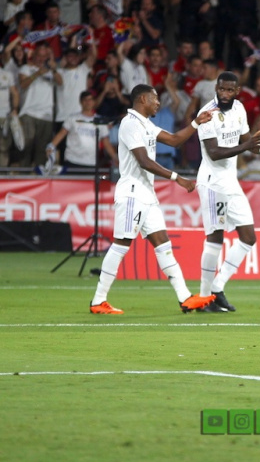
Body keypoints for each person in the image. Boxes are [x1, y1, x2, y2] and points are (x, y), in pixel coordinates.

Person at [90, 84, 217, 315]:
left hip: (147, 195)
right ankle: (98, 300)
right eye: (155, 98)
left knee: (164, 244)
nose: (159, 102)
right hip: (131, 193)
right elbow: (144, 161)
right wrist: (177, 177)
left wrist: (197, 122)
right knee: (121, 244)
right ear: (142, 99)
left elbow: (175, 139)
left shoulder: (145, 124)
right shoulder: (129, 124)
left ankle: (185, 298)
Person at [196, 71, 260, 312]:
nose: (224, 94)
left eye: (229, 90)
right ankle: (205, 297)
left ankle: (217, 287)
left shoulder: (240, 109)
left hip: (230, 183)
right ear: (216, 88)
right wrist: (245, 146)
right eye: (221, 89)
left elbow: (249, 142)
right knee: (215, 238)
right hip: (213, 182)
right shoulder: (206, 113)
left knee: (248, 238)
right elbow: (214, 153)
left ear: (237, 92)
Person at [46, 91, 117, 173]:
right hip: (72, 160)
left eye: (90, 100)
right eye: (85, 100)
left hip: (91, 162)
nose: (88, 102)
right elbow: (61, 134)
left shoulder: (100, 121)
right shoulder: (72, 118)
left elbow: (106, 142)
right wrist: (51, 146)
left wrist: (114, 157)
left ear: (94, 102)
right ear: (80, 102)